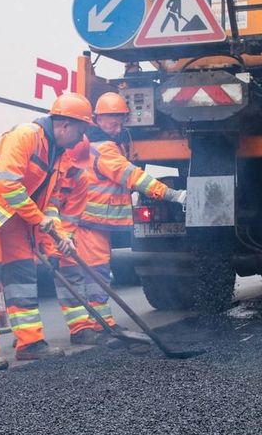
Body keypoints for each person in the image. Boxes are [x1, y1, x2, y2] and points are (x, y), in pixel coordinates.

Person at [0, 93, 92, 371]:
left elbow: (50, 202)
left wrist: (58, 235)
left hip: (11, 213)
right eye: (81, 130)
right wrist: (39, 220)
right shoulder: (26, 135)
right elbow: (8, 185)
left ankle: (30, 343)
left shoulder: (57, 155)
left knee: (22, 273)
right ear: (64, 125)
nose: (81, 139)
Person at [53, 92, 186, 345]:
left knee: (91, 273)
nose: (118, 125)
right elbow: (133, 177)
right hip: (87, 222)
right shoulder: (104, 149)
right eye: (112, 120)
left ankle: (98, 324)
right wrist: (171, 195)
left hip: (89, 222)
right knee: (94, 273)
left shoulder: (99, 144)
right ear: (98, 120)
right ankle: (91, 327)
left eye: (120, 119)